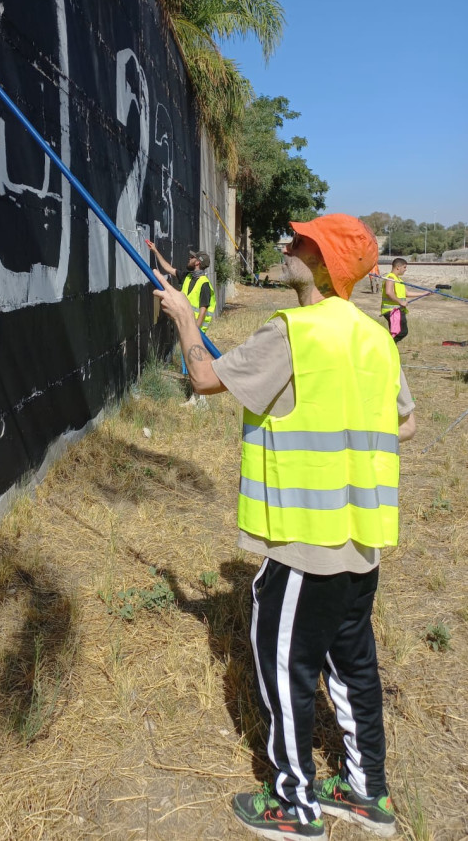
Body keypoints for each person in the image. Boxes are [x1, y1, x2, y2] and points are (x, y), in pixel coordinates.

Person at [153, 214, 415, 840]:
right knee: (354, 670)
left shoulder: (293, 331)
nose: (287, 246)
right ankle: (366, 794)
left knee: (283, 668)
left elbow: (206, 379)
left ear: (325, 264)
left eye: (300, 242)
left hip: (305, 545)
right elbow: (404, 423)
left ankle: (294, 807)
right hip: (362, 544)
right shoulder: (374, 337)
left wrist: (185, 321)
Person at [146, 241, 215, 404]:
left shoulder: (204, 284)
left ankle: (201, 399)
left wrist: (194, 331)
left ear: (197, 262)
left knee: (195, 362)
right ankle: (195, 396)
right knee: (188, 362)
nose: (189, 259)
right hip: (188, 328)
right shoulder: (187, 276)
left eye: (192, 258)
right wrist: (155, 251)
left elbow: (203, 310)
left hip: (196, 330)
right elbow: (168, 268)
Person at [380, 258, 429, 343]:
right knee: (401, 332)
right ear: (398, 267)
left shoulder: (399, 280)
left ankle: (388, 349)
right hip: (392, 310)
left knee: (398, 332)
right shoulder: (391, 278)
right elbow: (388, 292)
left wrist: (424, 293)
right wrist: (400, 302)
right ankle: (385, 346)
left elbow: (407, 293)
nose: (405, 270)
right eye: (404, 267)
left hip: (398, 310)